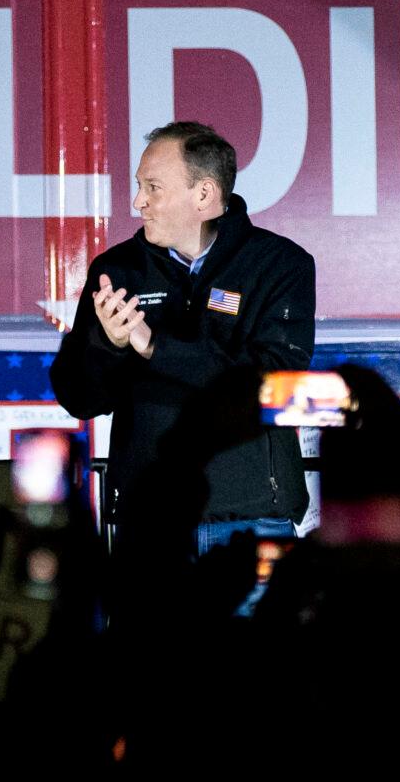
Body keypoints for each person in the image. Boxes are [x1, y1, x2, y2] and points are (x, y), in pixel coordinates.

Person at [50, 121, 315, 554]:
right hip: (150, 527)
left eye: (153, 187)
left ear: (205, 195)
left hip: (252, 527)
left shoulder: (280, 265)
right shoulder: (115, 271)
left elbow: (273, 386)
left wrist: (155, 346)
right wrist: (108, 346)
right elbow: (79, 399)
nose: (138, 202)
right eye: (139, 186)